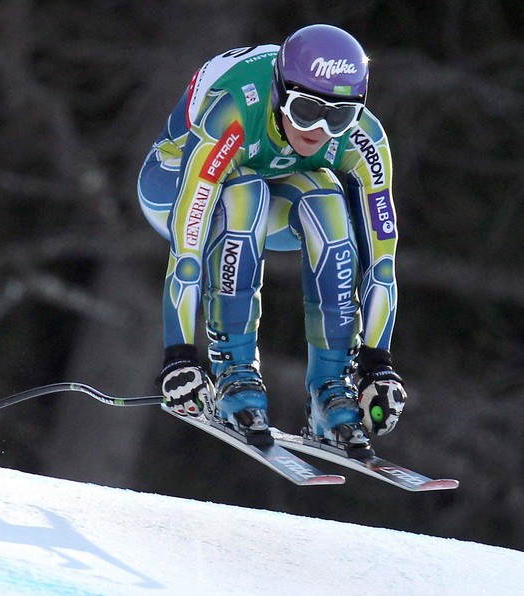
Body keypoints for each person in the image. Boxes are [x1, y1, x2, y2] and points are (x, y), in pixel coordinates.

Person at [137, 24, 407, 456]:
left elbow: (383, 261)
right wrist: (180, 354)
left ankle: (330, 388)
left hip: (267, 175)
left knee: (329, 205)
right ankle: (234, 371)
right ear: (280, 92)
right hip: (172, 186)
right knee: (246, 193)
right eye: (304, 110)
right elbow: (188, 252)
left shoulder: (363, 139)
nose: (318, 129)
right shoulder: (234, 113)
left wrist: (378, 365)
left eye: (338, 117)